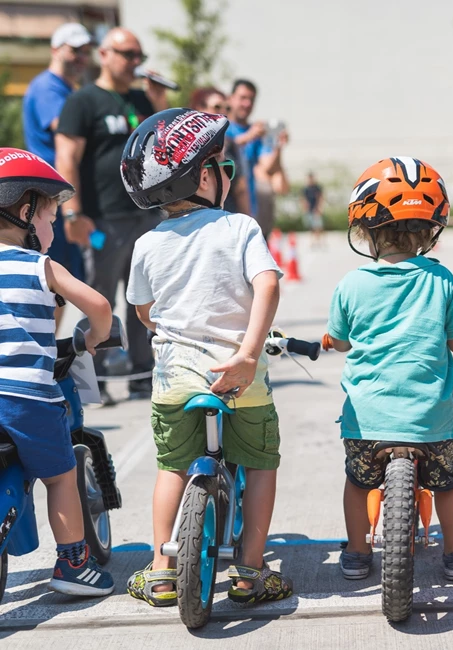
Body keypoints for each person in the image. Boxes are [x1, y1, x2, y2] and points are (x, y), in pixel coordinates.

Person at [120, 108, 291, 606]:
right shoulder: (240, 227)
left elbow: (144, 311)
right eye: (224, 167)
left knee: (172, 467)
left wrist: (172, 331)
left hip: (174, 380)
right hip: (239, 378)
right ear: (201, 176)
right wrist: (247, 351)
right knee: (259, 465)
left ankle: (160, 571)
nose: (228, 177)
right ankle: (251, 572)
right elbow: (267, 285)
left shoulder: (147, 244)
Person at [323, 157, 453, 581]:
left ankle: (357, 554)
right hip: (430, 420)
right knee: (449, 482)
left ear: (367, 231)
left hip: (366, 420)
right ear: (429, 231)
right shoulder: (443, 280)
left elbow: (339, 341)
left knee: (358, 483)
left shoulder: (351, 284)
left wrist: (330, 340)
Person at [0, 149, 114, 595]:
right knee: (60, 475)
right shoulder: (40, 265)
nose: (52, 229)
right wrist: (93, 337)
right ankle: (72, 565)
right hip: (27, 396)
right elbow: (100, 306)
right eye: (50, 217)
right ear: (25, 211)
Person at [55, 27, 168, 405]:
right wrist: (72, 212)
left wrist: (158, 101)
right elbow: (66, 158)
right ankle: (96, 380)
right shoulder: (83, 101)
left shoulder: (140, 99)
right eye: (127, 54)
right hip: (103, 220)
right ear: (105, 54)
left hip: (145, 217)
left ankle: (140, 375)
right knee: (99, 300)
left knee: (145, 300)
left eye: (139, 55)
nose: (135, 61)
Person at [22, 23, 93, 325]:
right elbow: (66, 134)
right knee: (54, 277)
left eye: (86, 52)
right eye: (74, 50)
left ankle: (48, 347)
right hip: (51, 199)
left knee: (62, 278)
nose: (81, 58)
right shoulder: (48, 88)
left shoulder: (65, 89)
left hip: (58, 198)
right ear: (55, 49)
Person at [227, 79, 289, 234]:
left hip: (250, 211)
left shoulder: (256, 134)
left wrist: (278, 146)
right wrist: (248, 137)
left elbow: (269, 168)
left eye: (251, 99)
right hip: (226, 212)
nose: (247, 104)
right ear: (231, 98)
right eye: (243, 98)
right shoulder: (221, 127)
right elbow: (221, 149)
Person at [188, 86, 251, 215]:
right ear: (200, 109)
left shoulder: (230, 144)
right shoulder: (184, 146)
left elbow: (241, 189)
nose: (223, 112)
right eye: (217, 107)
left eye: (227, 108)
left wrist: (248, 222)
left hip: (225, 220)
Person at [302, 171, 324, 246]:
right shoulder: (306, 189)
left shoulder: (317, 188)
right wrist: (304, 207)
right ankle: (312, 241)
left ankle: (319, 241)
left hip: (316, 209)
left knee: (318, 226)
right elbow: (303, 199)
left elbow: (320, 197)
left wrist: (319, 207)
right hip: (309, 209)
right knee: (311, 226)